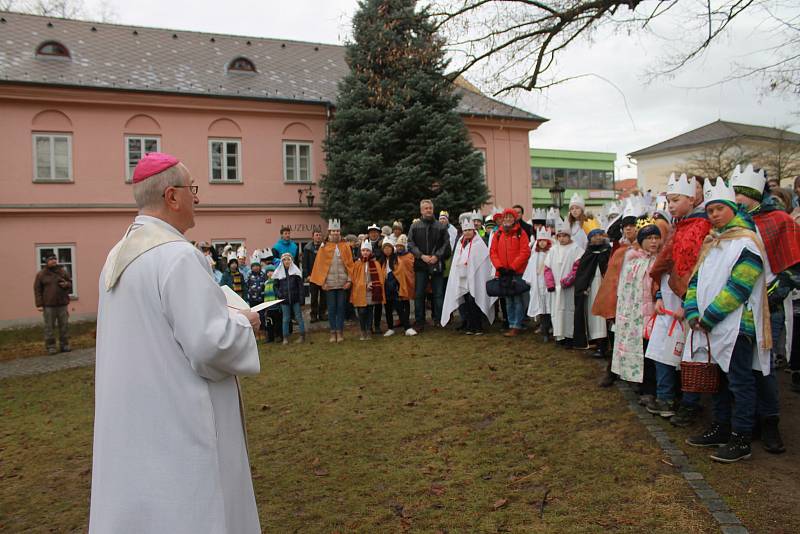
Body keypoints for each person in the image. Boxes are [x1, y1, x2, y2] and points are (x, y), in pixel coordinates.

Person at [90, 152, 261, 533]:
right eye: (193, 189)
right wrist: (244, 322)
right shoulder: (177, 257)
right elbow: (209, 346)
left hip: (137, 418)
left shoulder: (116, 257)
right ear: (172, 196)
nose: (197, 198)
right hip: (183, 420)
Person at [684, 178, 771, 463]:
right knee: (717, 381)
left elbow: (740, 286)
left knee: (739, 382)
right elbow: (696, 281)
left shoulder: (747, 242)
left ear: (733, 208)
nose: (714, 215)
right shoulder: (714, 242)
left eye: (720, 209)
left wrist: (710, 316)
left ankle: (741, 437)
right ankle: (721, 427)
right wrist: (692, 312)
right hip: (710, 325)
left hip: (736, 325)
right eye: (710, 211)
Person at [732, 164, 800, 454]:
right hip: (737, 303)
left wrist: (772, 295)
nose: (738, 199)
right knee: (741, 366)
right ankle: (750, 421)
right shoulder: (734, 222)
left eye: (742, 194)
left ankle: (770, 421)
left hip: (767, 302)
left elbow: (792, 265)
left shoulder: (779, 220)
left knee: (765, 366)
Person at [644, 174, 710, 419]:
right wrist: (660, 294)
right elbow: (666, 264)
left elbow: (694, 266)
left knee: (689, 354)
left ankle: (689, 402)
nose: (670, 205)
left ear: (692, 198)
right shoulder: (677, 226)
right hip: (668, 301)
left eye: (675, 200)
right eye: (668, 200)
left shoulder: (700, 226)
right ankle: (665, 396)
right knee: (662, 350)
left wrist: (687, 302)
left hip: (690, 302)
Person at [610, 218, 662, 404]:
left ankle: (656, 389)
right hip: (637, 316)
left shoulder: (661, 262)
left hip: (656, 315)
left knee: (654, 354)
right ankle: (644, 387)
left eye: (656, 237)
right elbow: (625, 291)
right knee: (642, 352)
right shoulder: (633, 262)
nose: (653, 242)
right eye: (649, 238)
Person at [442, 214, 497, 334]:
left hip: (476, 278)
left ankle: (478, 326)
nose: (467, 233)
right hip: (463, 278)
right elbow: (457, 259)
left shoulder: (479, 244)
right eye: (465, 230)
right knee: (465, 301)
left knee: (474, 301)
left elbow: (482, 262)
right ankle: (469, 325)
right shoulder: (460, 243)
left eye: (469, 230)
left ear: (473, 230)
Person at [408, 199, 451, 330]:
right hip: (421, 265)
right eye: (425, 208)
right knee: (419, 294)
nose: (428, 210)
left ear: (433, 209)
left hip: (437, 264)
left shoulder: (441, 226)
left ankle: (439, 319)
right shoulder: (414, 226)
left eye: (430, 208)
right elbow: (410, 244)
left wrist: (437, 256)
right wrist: (421, 256)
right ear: (421, 210)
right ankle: (420, 321)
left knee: (438, 294)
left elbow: (446, 244)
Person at [489, 208, 532, 337]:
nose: (507, 219)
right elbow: (493, 252)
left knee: (518, 299)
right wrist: (500, 267)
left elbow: (525, 252)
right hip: (503, 272)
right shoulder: (498, 234)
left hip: (516, 272)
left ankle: (517, 325)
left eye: (510, 217)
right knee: (508, 299)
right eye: (505, 217)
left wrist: (513, 267)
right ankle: (511, 323)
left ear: (514, 219)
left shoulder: (521, 233)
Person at [310, 220, 354, 343]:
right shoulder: (324, 247)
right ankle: (332, 332)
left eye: (337, 231)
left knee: (341, 308)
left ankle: (340, 332)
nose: (335, 233)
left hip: (342, 284)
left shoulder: (345, 246)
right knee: (331, 308)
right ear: (330, 232)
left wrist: (349, 280)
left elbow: (350, 264)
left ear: (339, 232)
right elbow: (319, 266)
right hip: (329, 284)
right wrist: (322, 283)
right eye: (333, 231)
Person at [572, 228, 612, 354]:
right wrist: (583, 286)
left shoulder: (608, 252)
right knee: (593, 317)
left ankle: (606, 344)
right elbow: (583, 273)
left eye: (600, 235)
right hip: (591, 289)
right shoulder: (588, 254)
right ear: (590, 239)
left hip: (605, 288)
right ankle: (597, 342)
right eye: (595, 236)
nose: (598, 238)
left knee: (605, 317)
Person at [546, 220, 584, 344]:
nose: (562, 239)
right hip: (556, 288)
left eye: (564, 236)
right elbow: (547, 268)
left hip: (568, 287)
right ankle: (559, 335)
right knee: (556, 311)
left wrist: (567, 281)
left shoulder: (576, 249)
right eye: (559, 236)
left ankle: (569, 336)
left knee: (568, 311)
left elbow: (577, 268)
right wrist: (550, 283)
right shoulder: (553, 250)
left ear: (569, 236)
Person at [33, 253, 73, 354]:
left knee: (64, 326)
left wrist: (66, 284)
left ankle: (64, 345)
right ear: (47, 262)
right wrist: (39, 305)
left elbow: (69, 283)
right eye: (51, 259)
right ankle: (51, 347)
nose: (54, 261)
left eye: (55, 259)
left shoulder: (62, 272)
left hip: (62, 304)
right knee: (49, 327)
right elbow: (37, 290)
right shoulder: (41, 274)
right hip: (48, 305)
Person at [523, 228, 555, 342]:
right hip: (539, 285)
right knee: (543, 309)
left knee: (551, 308)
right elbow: (531, 270)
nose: (542, 243)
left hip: (550, 285)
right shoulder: (535, 255)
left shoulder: (552, 253)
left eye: (544, 240)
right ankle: (545, 330)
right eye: (540, 240)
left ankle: (553, 329)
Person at [351, 240, 385, 340]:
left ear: (370, 252)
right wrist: (364, 285)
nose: (365, 252)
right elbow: (355, 279)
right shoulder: (357, 264)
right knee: (361, 311)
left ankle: (369, 329)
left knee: (370, 311)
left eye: (367, 250)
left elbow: (380, 278)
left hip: (371, 292)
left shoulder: (376, 263)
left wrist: (373, 284)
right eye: (363, 250)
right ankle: (362, 330)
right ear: (361, 252)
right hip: (360, 291)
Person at [384, 235, 416, 336]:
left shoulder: (397, 260)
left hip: (395, 287)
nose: (387, 250)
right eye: (385, 248)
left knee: (399, 307)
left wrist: (397, 284)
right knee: (388, 308)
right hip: (385, 287)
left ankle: (407, 327)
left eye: (389, 248)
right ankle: (390, 327)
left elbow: (400, 273)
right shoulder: (381, 260)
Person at [274, 252, 305, 344]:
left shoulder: (296, 273)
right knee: (286, 319)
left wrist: (301, 299)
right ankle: (285, 338)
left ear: (291, 261)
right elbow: (275, 286)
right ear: (282, 262)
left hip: (295, 299)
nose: (286, 261)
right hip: (284, 300)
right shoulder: (278, 274)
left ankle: (302, 335)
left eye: (288, 259)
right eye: (284, 260)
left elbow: (300, 287)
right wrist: (279, 295)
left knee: (299, 317)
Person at [303, 230, 327, 323]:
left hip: (323, 276)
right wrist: (307, 275)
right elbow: (305, 263)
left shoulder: (325, 247)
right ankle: (313, 315)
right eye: (316, 235)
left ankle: (322, 314)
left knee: (324, 297)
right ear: (312, 236)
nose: (318, 237)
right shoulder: (307, 248)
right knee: (313, 297)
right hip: (312, 276)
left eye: (320, 235)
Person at [246, 261, 267, 340]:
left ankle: (262, 332)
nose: (256, 267)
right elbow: (246, 286)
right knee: (254, 317)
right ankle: (255, 333)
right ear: (251, 268)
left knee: (262, 316)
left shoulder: (263, 275)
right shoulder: (249, 276)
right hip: (252, 299)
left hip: (261, 299)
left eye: (257, 266)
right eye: (254, 266)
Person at [263, 265, 282, 343]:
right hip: (268, 307)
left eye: (272, 271)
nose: (270, 273)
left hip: (276, 306)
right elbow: (265, 295)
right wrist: (265, 306)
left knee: (278, 322)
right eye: (268, 272)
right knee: (269, 323)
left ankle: (279, 336)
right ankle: (270, 338)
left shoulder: (276, 281)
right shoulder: (266, 283)